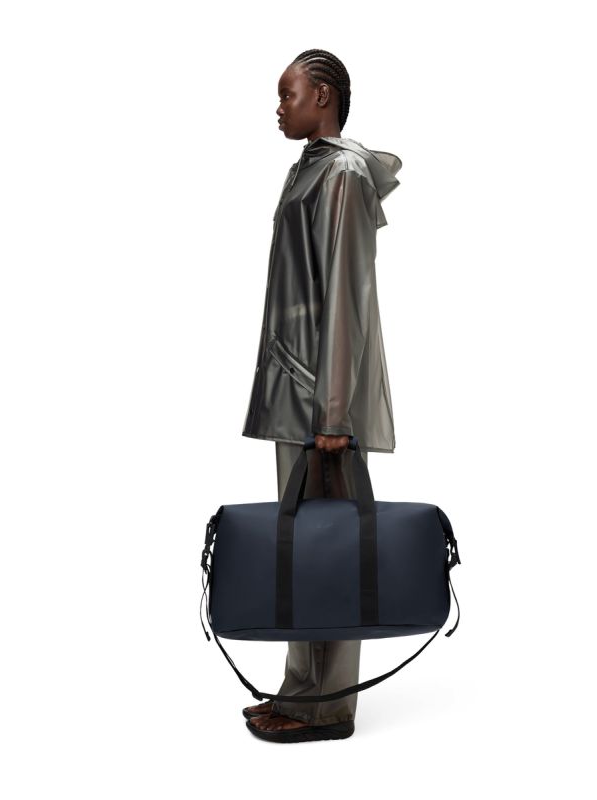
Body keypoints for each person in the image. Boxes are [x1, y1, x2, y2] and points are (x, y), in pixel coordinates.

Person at [240, 49, 402, 743]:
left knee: (330, 549)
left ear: (324, 96)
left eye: (289, 94)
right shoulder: (310, 167)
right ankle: (300, 690)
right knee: (304, 549)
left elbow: (347, 298)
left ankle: (328, 706)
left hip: (321, 401)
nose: (279, 107)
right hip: (295, 391)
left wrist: (334, 411)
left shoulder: (342, 174)